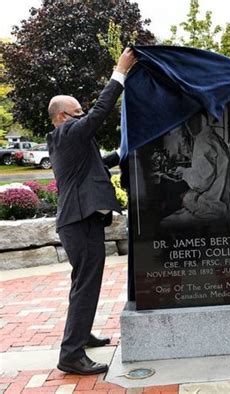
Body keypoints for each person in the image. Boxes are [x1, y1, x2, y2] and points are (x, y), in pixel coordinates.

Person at [47, 47, 136, 375]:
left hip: (80, 222)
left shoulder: (64, 139)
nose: (84, 115)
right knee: (86, 284)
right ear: (62, 117)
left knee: (83, 283)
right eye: (77, 112)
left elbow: (97, 164)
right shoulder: (68, 133)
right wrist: (120, 73)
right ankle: (71, 354)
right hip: (79, 222)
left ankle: (80, 336)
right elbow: (100, 112)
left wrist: (124, 152)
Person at [160, 112, 230, 226]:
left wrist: (183, 172)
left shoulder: (203, 140)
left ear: (198, 120)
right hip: (221, 206)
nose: (187, 126)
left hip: (213, 210)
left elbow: (200, 182)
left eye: (188, 122)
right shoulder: (214, 138)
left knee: (164, 223)